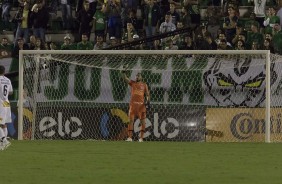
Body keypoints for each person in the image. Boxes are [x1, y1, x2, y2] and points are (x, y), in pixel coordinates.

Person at [121, 70, 150, 142]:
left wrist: (148, 101)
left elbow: (147, 94)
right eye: (136, 76)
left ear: (141, 77)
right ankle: (130, 138)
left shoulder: (144, 85)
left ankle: (141, 138)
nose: (137, 77)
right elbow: (125, 79)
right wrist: (124, 73)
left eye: (138, 76)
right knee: (130, 121)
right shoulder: (133, 83)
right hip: (133, 106)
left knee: (143, 122)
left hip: (141, 107)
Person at [0, 65, 13, 150]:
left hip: (0, 102)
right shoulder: (8, 80)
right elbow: (11, 92)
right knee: (3, 123)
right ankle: (3, 143)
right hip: (6, 103)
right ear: (4, 72)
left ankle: (4, 140)